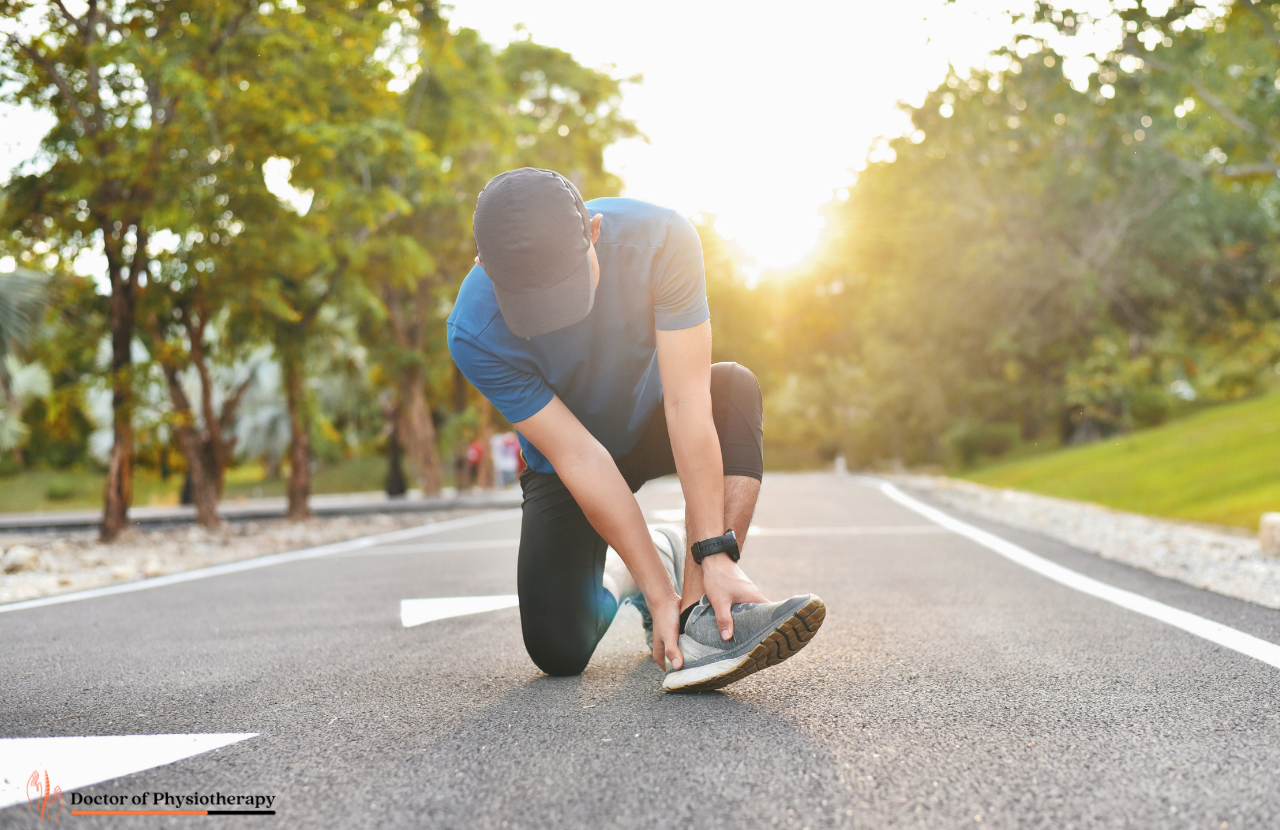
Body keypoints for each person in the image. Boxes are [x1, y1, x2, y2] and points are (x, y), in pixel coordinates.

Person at [446, 168, 824, 691]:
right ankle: (651, 564)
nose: (557, 316)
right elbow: (580, 457)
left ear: (595, 232)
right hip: (567, 460)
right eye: (534, 300)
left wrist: (714, 551)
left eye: (569, 286)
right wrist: (653, 588)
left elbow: (688, 403)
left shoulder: (662, 238)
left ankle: (701, 623)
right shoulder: (472, 332)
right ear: (484, 266)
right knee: (558, 650)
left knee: (731, 391)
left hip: (653, 420)